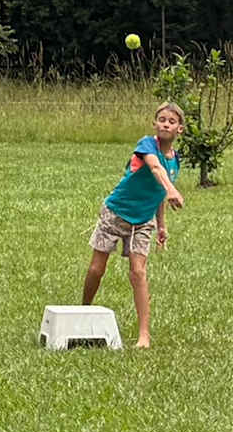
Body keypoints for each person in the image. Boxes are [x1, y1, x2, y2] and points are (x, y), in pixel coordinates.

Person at [75, 98, 187, 346]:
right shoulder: (147, 145)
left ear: (180, 129)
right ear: (155, 123)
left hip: (143, 222)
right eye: (161, 120)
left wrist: (162, 225)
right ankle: (83, 311)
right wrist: (172, 189)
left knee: (138, 272)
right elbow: (155, 169)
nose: (165, 124)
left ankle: (143, 335)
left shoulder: (175, 159)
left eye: (171, 121)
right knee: (96, 269)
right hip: (115, 213)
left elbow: (157, 192)